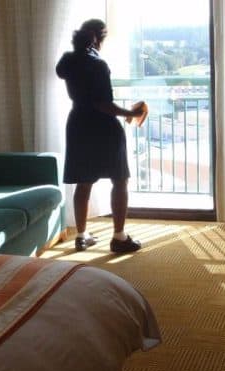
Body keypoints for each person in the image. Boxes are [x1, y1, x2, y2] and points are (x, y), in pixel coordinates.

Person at [56, 19, 146, 253]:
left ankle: (81, 236)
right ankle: (119, 237)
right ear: (99, 39)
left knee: (83, 181)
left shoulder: (67, 61)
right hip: (103, 128)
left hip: (78, 125)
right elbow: (103, 104)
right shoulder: (98, 64)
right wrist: (131, 113)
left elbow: (65, 75)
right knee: (119, 179)